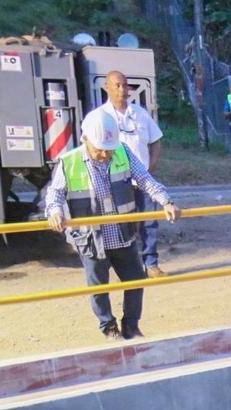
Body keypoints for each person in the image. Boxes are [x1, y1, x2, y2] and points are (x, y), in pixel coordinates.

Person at [46, 110, 180, 340]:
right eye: (100, 150)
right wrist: (55, 211)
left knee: (136, 280)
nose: (105, 155)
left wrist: (166, 201)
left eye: (108, 150)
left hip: (122, 234)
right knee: (98, 287)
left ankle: (131, 325)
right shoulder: (70, 162)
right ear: (85, 139)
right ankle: (108, 327)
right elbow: (55, 194)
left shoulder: (122, 153)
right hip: (91, 239)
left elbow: (145, 179)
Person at [96, 71, 166, 278]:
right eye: (117, 85)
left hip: (143, 181)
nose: (122, 90)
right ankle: (126, 269)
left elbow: (156, 141)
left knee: (149, 222)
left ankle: (151, 264)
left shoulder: (140, 114)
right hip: (115, 183)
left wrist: (150, 167)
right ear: (107, 87)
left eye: (125, 85)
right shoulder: (99, 117)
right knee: (120, 226)